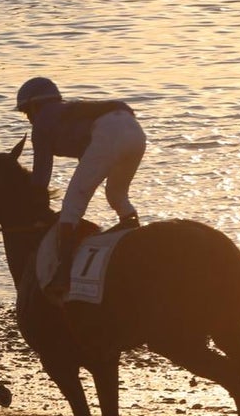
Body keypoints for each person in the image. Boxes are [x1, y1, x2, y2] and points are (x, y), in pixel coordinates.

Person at [14, 76, 147, 295]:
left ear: (36, 106)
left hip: (109, 131)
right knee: (116, 195)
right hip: (134, 130)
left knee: (71, 206)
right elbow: (89, 160)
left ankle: (63, 272)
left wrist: (33, 201)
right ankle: (134, 232)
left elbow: (42, 173)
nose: (28, 119)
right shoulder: (70, 114)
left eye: (27, 112)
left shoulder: (42, 122)